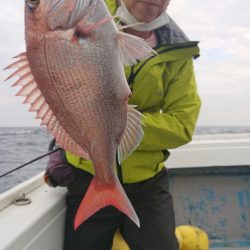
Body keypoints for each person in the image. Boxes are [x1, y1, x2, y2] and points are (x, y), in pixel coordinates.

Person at [44, 0, 201, 249]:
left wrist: (116, 124)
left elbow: (182, 123)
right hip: (86, 175)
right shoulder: (83, 17)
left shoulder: (179, 52)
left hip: (147, 183)